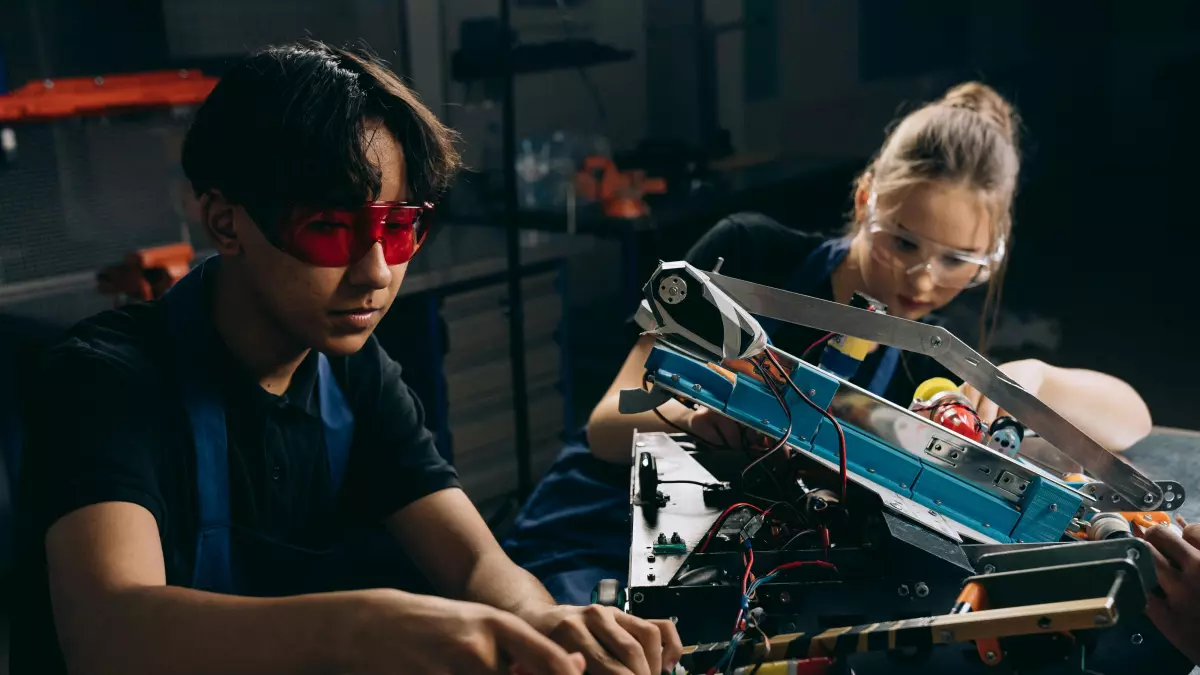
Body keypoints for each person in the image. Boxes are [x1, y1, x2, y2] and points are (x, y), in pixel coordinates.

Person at [10, 41, 681, 675]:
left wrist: (544, 622)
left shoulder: (350, 374)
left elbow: (476, 563)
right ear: (225, 223)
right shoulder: (106, 382)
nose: (376, 272)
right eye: (329, 229)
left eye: (397, 228)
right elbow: (107, 630)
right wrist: (361, 626)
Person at [503, 81, 1153, 605]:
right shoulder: (750, 253)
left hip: (728, 576)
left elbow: (1130, 419)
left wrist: (1027, 380)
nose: (925, 280)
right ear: (868, 197)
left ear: (993, 253)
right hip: (594, 537)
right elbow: (606, 427)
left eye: (960, 260)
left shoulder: (926, 359)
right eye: (904, 244)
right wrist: (704, 417)